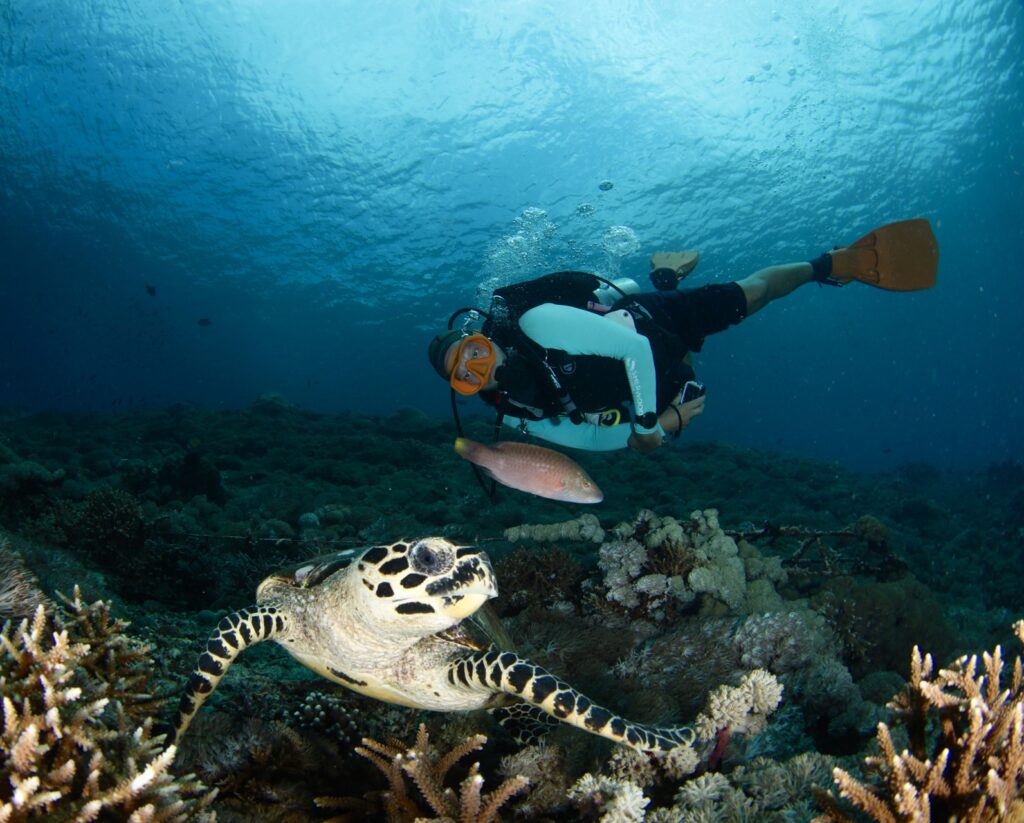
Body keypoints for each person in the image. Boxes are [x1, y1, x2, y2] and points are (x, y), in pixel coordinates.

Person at [428, 220, 938, 454]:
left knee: (750, 297)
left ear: (485, 339)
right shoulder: (520, 414)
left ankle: (826, 264)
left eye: (474, 353)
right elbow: (586, 437)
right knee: (691, 403)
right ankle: (662, 278)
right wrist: (662, 422)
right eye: (465, 376)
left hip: (649, 327)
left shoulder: (535, 324)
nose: (478, 369)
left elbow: (633, 348)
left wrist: (649, 424)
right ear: (465, 391)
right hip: (655, 381)